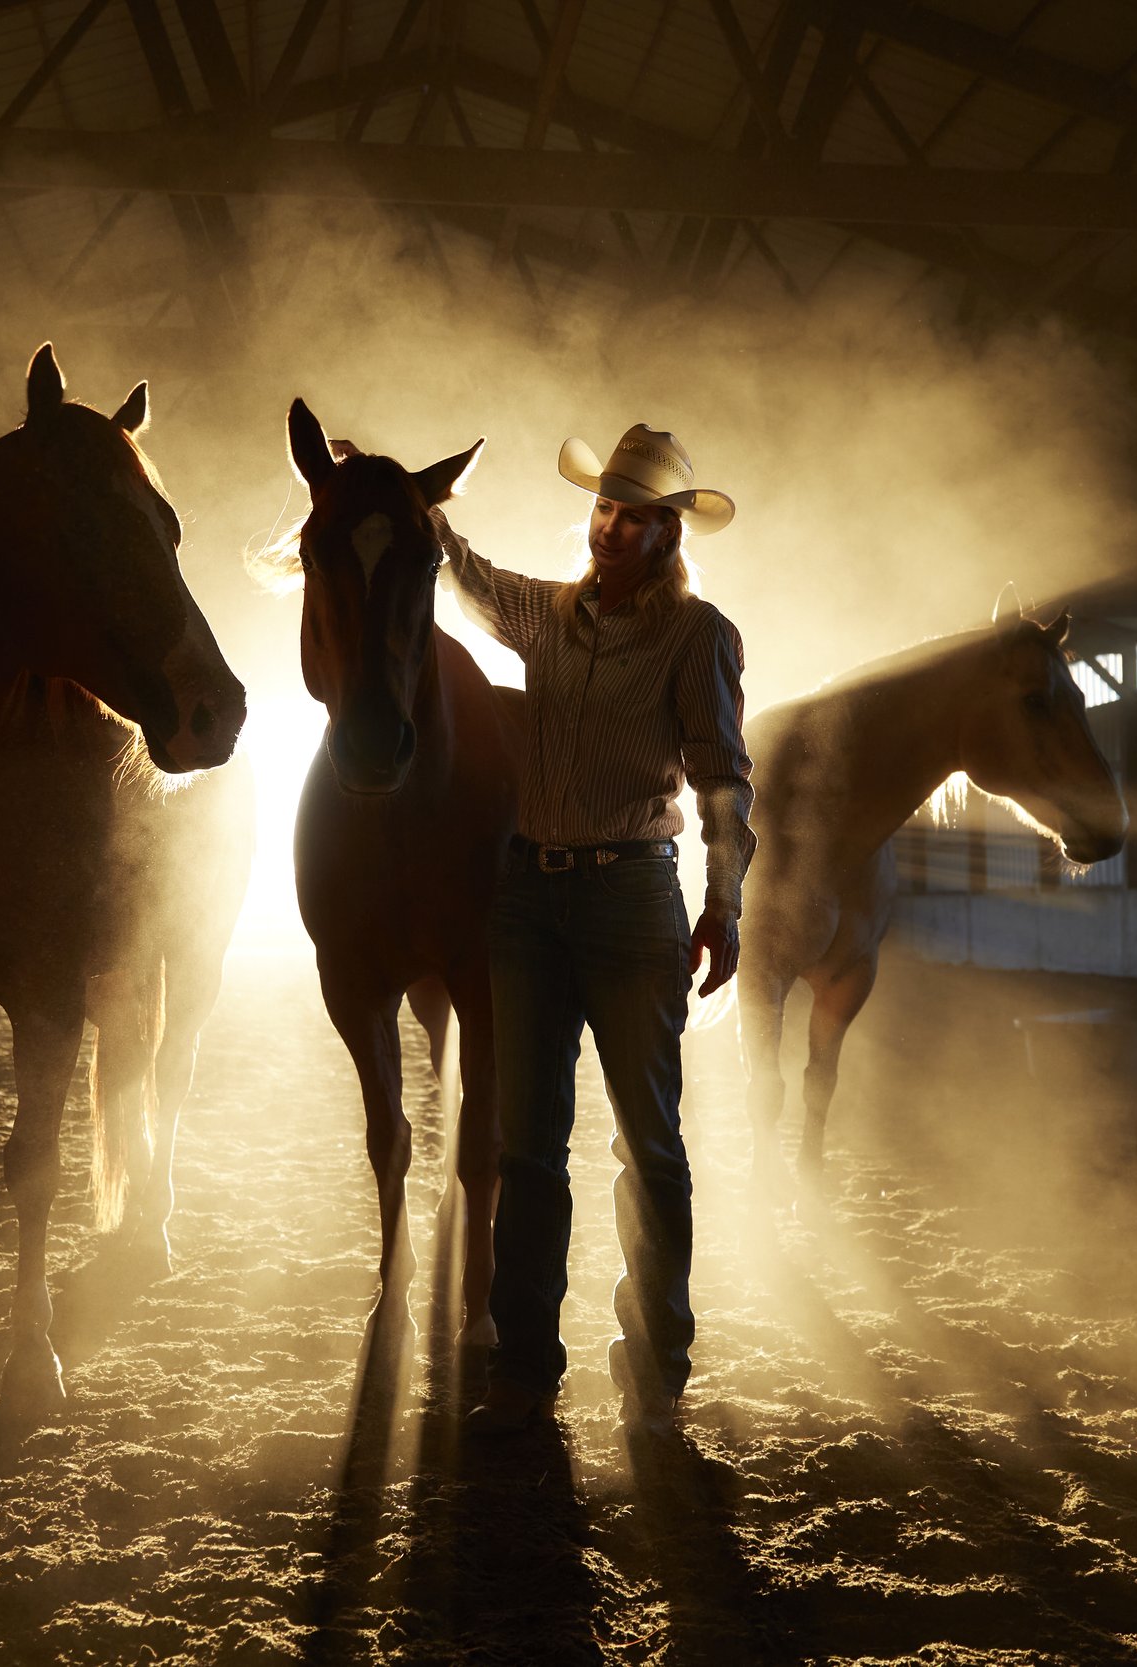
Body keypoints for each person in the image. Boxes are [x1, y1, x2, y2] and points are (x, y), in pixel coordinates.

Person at [433, 422, 755, 1435]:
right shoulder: (546, 613)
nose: (610, 528)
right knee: (527, 1148)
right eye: (604, 508)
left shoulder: (698, 636)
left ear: (670, 535)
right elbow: (467, 573)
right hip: (526, 900)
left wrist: (723, 901)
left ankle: (655, 1364)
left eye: (635, 517)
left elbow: (722, 782)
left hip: (629, 900)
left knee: (647, 1145)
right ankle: (528, 1363)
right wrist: (404, 497)